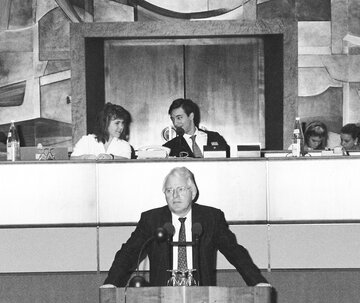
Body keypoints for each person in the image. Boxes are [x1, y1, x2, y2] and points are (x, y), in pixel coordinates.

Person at [103, 166, 269, 288]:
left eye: (180, 189)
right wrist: (111, 284)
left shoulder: (211, 218)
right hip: (161, 300)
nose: (175, 195)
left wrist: (257, 282)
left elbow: (235, 252)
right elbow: (128, 253)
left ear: (193, 191)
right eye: (169, 191)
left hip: (203, 299)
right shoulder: (151, 220)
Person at [163, 98, 229, 158]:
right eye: (172, 119)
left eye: (179, 118)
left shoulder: (215, 137)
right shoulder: (169, 147)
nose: (175, 123)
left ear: (191, 116)